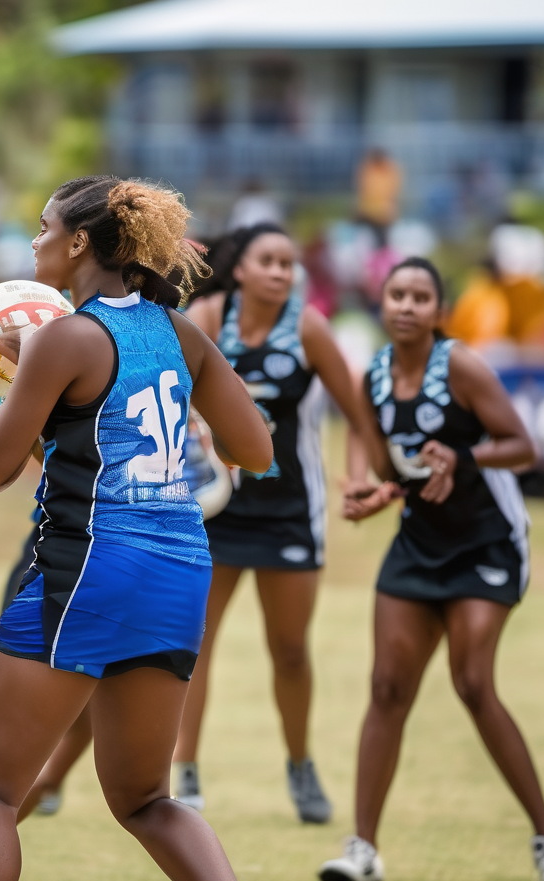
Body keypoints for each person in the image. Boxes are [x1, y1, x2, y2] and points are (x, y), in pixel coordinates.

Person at [0, 176, 304, 881]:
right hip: (179, 569)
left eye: (44, 230)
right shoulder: (179, 334)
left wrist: (16, 384)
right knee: (146, 797)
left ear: (79, 245)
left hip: (90, 571)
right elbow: (257, 448)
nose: (36, 242)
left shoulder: (64, 339)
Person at [318, 256, 544, 881]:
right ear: (382, 306)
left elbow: (523, 446)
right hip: (419, 545)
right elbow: (387, 466)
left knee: (471, 680)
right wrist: (372, 493)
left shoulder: (461, 365)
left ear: (439, 312)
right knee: (386, 686)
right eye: (395, 295)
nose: (405, 305)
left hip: (487, 544)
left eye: (419, 296)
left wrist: (461, 456)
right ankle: (362, 849)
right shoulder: (375, 377)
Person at [171, 223, 368, 822]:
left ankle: (301, 764)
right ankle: (187, 773)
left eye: (289, 263)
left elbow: (358, 415)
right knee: (196, 644)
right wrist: (197, 444)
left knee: (288, 650)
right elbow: (169, 398)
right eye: (270, 261)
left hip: (288, 510)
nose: (283, 272)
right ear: (242, 270)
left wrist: (357, 476)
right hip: (216, 507)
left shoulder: (308, 327)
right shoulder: (205, 315)